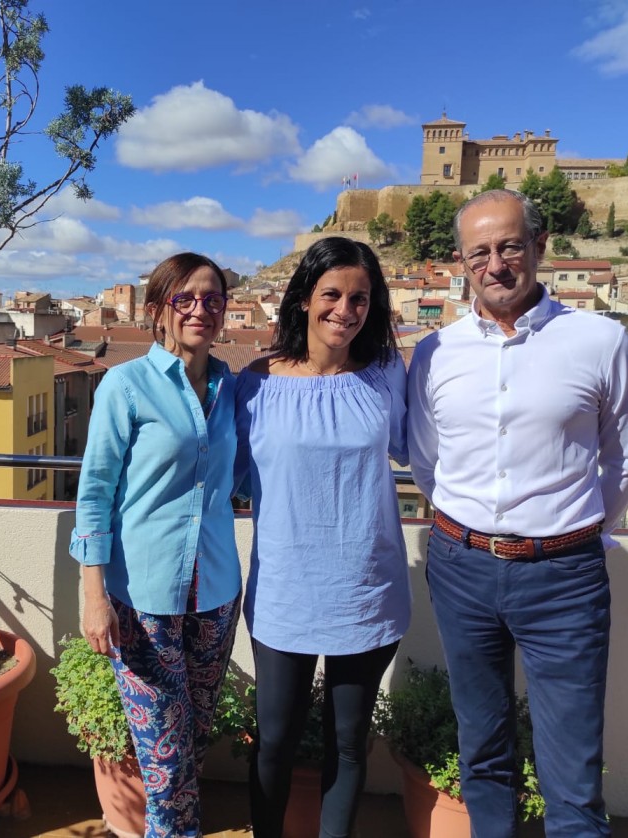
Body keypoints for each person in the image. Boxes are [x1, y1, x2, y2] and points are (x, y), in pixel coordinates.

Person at [407, 189, 628, 837]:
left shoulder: (600, 341)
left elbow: (625, 464)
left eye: (510, 246)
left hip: (565, 577)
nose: (496, 264)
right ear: (462, 262)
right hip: (461, 570)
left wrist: (573, 532)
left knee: (572, 774)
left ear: (540, 247)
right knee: (482, 752)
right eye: (479, 251)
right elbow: (427, 463)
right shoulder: (435, 353)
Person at [235, 237, 409, 838]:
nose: (345, 309)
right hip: (286, 588)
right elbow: (219, 472)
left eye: (359, 297)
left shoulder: (387, 371)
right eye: (332, 294)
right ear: (305, 298)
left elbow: (428, 450)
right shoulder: (254, 383)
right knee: (275, 742)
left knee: (348, 743)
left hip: (366, 588)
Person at [70, 252, 241, 837]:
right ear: (158, 311)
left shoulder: (229, 387)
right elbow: (94, 492)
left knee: (191, 742)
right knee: (163, 760)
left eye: (213, 299)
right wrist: (93, 594)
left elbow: (241, 478)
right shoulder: (127, 385)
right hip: (143, 599)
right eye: (185, 298)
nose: (201, 309)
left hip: (216, 592)